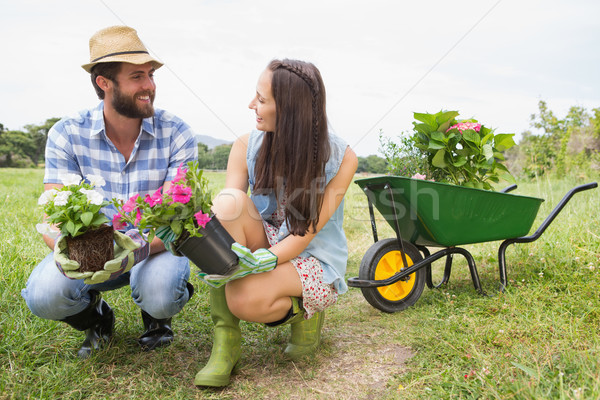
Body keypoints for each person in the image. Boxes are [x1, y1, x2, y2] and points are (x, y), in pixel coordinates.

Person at [21, 25, 197, 358]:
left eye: (150, 75)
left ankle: (156, 317)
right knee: (44, 295)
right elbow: (53, 219)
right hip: (92, 253)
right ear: (104, 83)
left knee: (159, 292)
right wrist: (87, 258)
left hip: (154, 248)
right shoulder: (67, 133)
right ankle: (97, 318)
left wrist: (133, 252)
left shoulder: (176, 132)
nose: (149, 86)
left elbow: (180, 219)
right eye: (137, 77)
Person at [193, 59, 358, 387]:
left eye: (262, 99)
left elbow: (304, 234)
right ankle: (225, 343)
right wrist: (203, 244)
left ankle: (307, 313)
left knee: (244, 299)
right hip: (264, 237)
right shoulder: (245, 146)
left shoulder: (342, 159)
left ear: (291, 109)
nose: (251, 105)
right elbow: (226, 217)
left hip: (310, 252)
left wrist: (265, 262)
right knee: (229, 202)